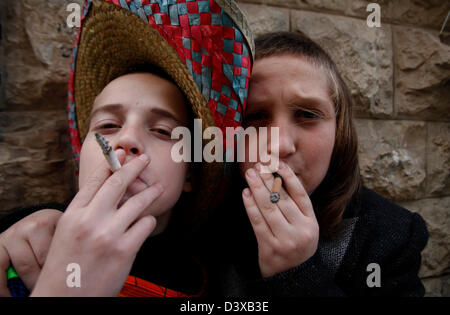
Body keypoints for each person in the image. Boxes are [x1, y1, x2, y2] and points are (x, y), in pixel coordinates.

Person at [0, 0, 254, 296]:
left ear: (190, 174)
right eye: (108, 126)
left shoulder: (211, 281)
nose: (127, 140)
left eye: (162, 131)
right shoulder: (20, 242)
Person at [206, 31, 429, 296]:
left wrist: (300, 275)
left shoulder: (389, 236)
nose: (280, 145)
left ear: (339, 131)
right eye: (255, 117)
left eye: (308, 114)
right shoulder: (200, 223)